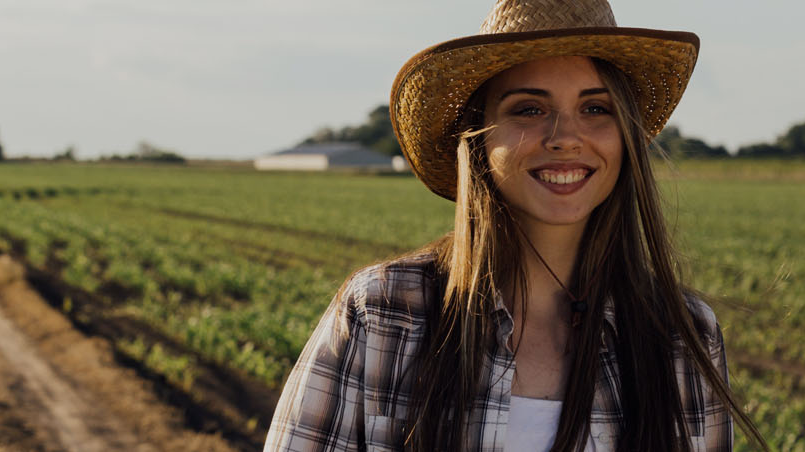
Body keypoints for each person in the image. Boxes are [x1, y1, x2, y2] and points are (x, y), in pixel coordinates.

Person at [263, 0, 769, 450]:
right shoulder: (384, 314)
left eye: (596, 108)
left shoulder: (681, 335)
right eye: (529, 108)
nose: (565, 137)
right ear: (478, 138)